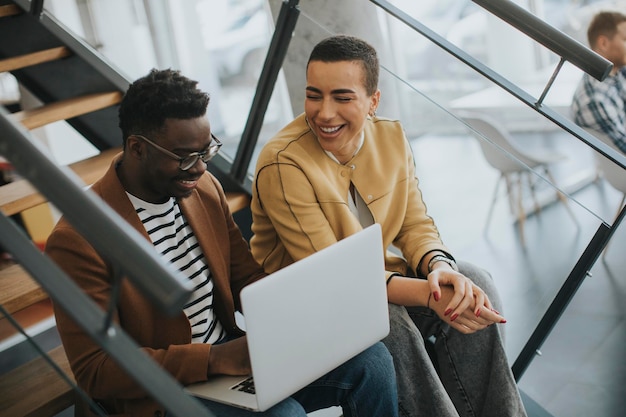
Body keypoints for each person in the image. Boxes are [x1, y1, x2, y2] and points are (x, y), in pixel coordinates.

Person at [45, 68, 398, 417]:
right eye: (185, 157)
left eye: (206, 151)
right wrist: (215, 359)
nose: (199, 169)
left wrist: (304, 314)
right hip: (163, 394)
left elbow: (244, 276)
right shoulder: (79, 239)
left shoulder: (203, 191)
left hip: (227, 360)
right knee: (283, 414)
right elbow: (96, 369)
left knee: (372, 362)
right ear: (137, 148)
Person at [250, 35, 527, 417]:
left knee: (474, 282)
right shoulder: (283, 163)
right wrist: (432, 295)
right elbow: (335, 278)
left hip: (369, 289)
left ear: (373, 102)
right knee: (388, 321)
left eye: (342, 98)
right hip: (308, 312)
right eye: (314, 95)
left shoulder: (391, 137)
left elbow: (415, 225)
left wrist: (440, 271)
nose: (324, 113)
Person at [571, 11, 626, 153]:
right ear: (603, 43)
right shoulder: (594, 100)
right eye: (625, 39)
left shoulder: (617, 72)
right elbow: (622, 150)